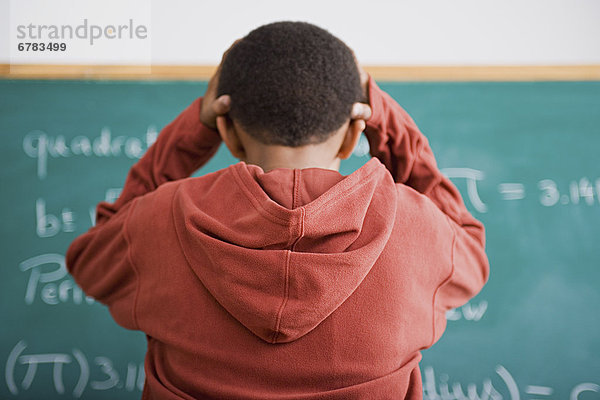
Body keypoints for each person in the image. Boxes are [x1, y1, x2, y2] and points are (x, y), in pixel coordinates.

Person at [66, 21, 489, 399]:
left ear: (226, 131)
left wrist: (196, 125)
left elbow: (91, 257)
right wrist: (386, 117)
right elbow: (470, 252)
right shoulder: (417, 228)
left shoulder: (158, 221)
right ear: (353, 136)